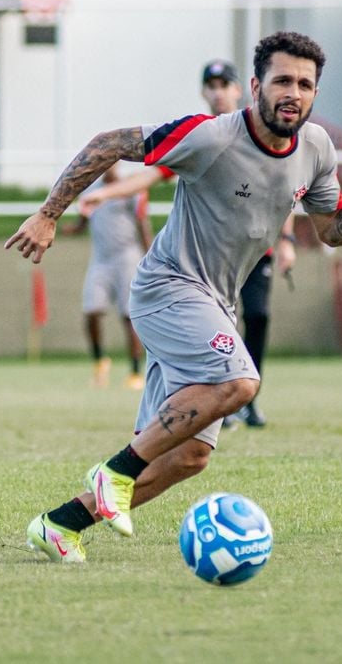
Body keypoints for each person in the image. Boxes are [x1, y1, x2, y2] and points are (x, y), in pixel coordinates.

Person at [6, 31, 342, 563]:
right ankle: (114, 472)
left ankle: (61, 524)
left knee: (191, 456)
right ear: (255, 86)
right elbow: (108, 143)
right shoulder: (210, 137)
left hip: (214, 303)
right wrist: (48, 213)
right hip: (167, 288)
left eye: (305, 84)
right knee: (240, 381)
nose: (293, 92)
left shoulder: (317, 149)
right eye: (282, 81)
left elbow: (332, 231)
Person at [78, 57, 297, 428]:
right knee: (211, 332)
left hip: (255, 251)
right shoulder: (201, 137)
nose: (218, 93)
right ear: (204, 93)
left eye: (224, 85)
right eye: (211, 86)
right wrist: (107, 194)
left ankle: (247, 400)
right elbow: (151, 176)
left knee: (258, 316)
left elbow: (289, 188)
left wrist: (288, 239)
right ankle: (218, 400)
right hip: (206, 260)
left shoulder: (265, 133)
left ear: (241, 89)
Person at [60, 165, 154, 390]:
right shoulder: (91, 191)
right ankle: (100, 361)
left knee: (129, 316)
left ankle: (134, 371)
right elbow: (83, 221)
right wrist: (70, 228)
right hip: (101, 259)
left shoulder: (129, 189)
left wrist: (150, 257)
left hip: (127, 257)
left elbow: (142, 224)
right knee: (92, 311)